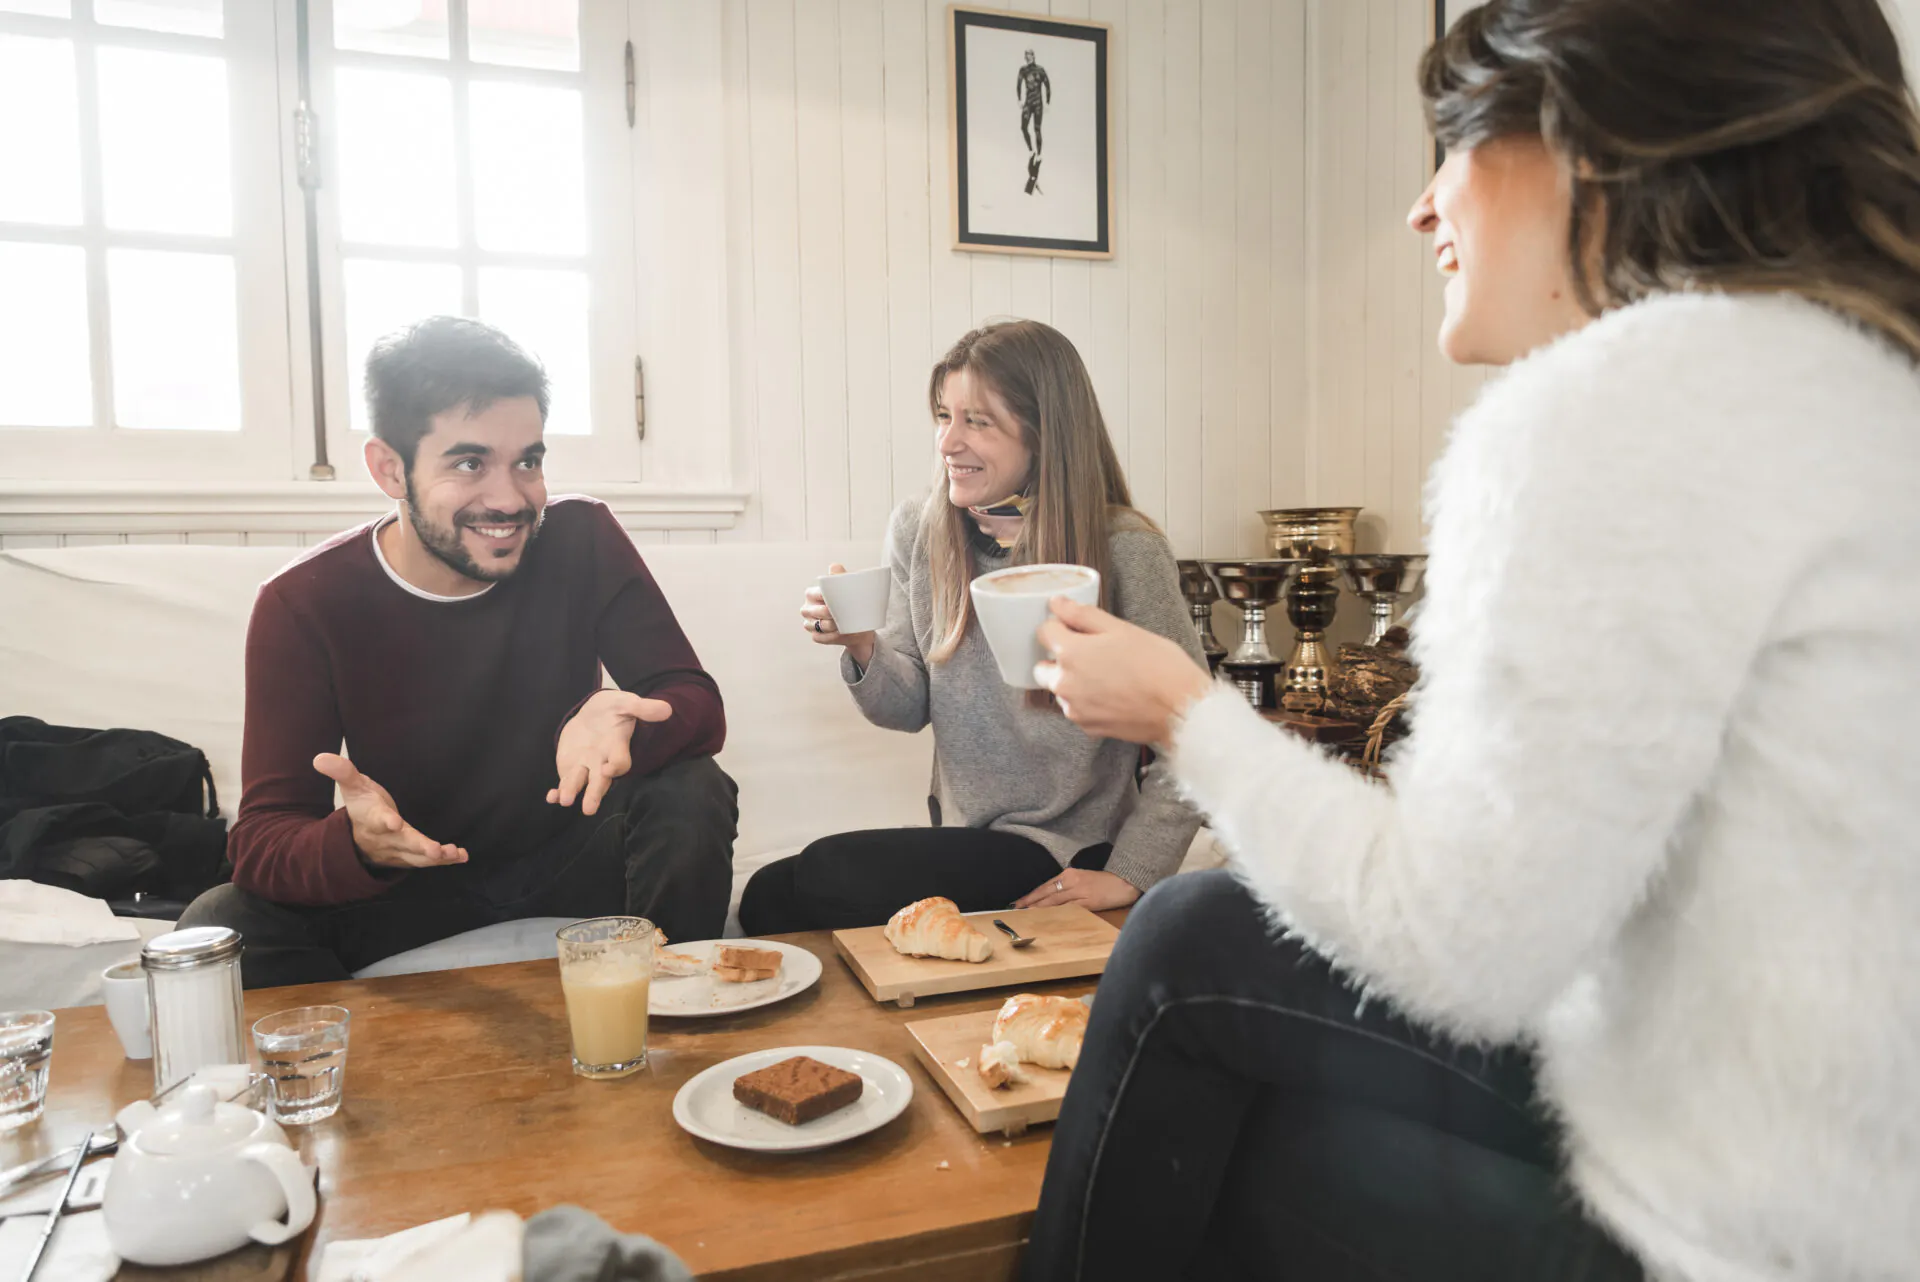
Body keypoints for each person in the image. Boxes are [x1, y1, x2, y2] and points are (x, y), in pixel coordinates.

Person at [1021, 0, 1920, 1278]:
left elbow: (1461, 942)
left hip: (1729, 1233)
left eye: (1452, 139)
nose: (1423, 207)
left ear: (1589, 139)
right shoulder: (1867, 380)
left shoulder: (1620, 404)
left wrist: (1183, 711)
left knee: (1182, 948)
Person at [180, 317, 738, 987]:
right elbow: (263, 841)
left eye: (528, 461)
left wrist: (624, 717)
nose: (510, 498)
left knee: (691, 788)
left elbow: (697, 704)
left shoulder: (580, 536)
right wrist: (354, 843)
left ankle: (679, 1027)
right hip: (409, 880)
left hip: (570, 858)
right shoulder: (304, 602)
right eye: (469, 463)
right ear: (390, 468)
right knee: (222, 922)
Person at [737, 321, 1205, 935]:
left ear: (1045, 433)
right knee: (768, 897)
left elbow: (1196, 729)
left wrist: (1132, 873)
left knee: (825, 873)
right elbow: (907, 708)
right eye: (942, 416)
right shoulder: (923, 530)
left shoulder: (1124, 549)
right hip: (967, 841)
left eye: (977, 421)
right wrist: (862, 645)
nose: (947, 442)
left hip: (1066, 849)